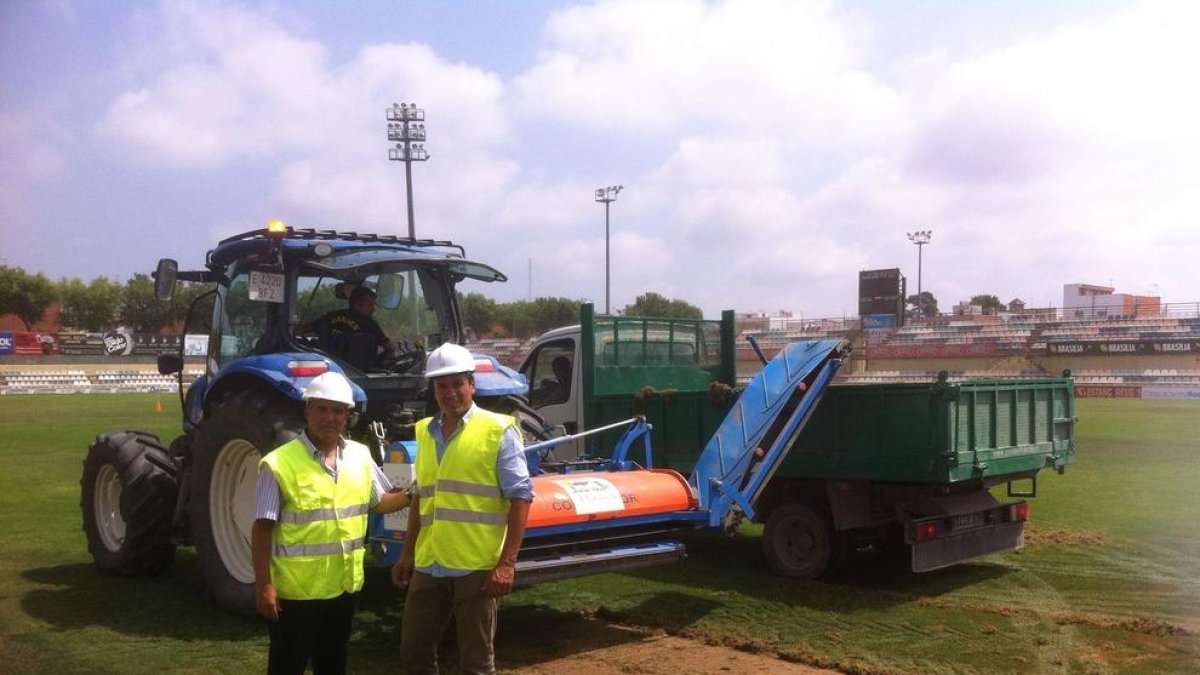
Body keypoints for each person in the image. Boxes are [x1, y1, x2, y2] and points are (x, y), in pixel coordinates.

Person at [252, 371, 412, 675]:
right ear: (307, 411)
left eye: (337, 410)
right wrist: (264, 586)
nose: (329, 417)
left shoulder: (360, 457)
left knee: (333, 664)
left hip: (343, 589)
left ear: (347, 417)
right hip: (296, 595)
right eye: (321, 409)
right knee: (287, 666)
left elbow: (380, 502)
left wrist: (415, 493)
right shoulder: (278, 464)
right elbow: (262, 528)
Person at [392, 342, 532, 675]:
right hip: (430, 564)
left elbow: (521, 498)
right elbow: (422, 499)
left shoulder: (498, 430)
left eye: (458, 384)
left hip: (476, 568)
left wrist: (507, 564)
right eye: (443, 386)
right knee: (413, 656)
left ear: (472, 385)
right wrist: (407, 554)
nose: (450, 392)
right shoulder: (425, 433)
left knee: (476, 663)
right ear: (434, 390)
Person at [311, 286, 398, 358]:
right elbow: (390, 347)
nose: (374, 308)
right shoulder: (370, 324)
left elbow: (305, 328)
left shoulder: (330, 316)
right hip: (359, 372)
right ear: (357, 305)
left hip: (330, 366)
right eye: (370, 305)